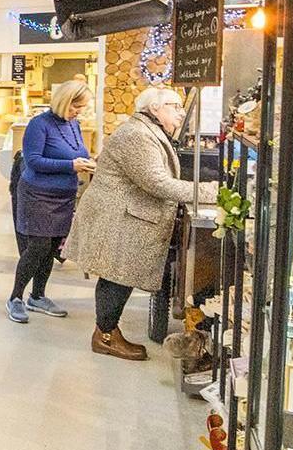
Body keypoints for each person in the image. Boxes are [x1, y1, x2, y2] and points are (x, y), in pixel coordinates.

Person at [65, 87, 218, 360]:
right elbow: (156, 182)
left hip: (122, 216)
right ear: (155, 108)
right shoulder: (138, 135)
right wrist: (207, 192)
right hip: (116, 218)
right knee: (116, 276)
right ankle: (106, 336)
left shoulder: (146, 131)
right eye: (174, 106)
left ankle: (107, 332)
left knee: (117, 275)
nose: (180, 112)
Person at [6, 81, 95, 324]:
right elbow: (33, 161)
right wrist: (71, 165)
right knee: (37, 247)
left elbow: (79, 152)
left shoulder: (74, 124)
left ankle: (37, 296)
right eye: (76, 106)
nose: (79, 111)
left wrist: (88, 162)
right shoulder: (39, 124)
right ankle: (15, 297)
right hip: (38, 194)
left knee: (53, 246)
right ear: (64, 101)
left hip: (63, 195)